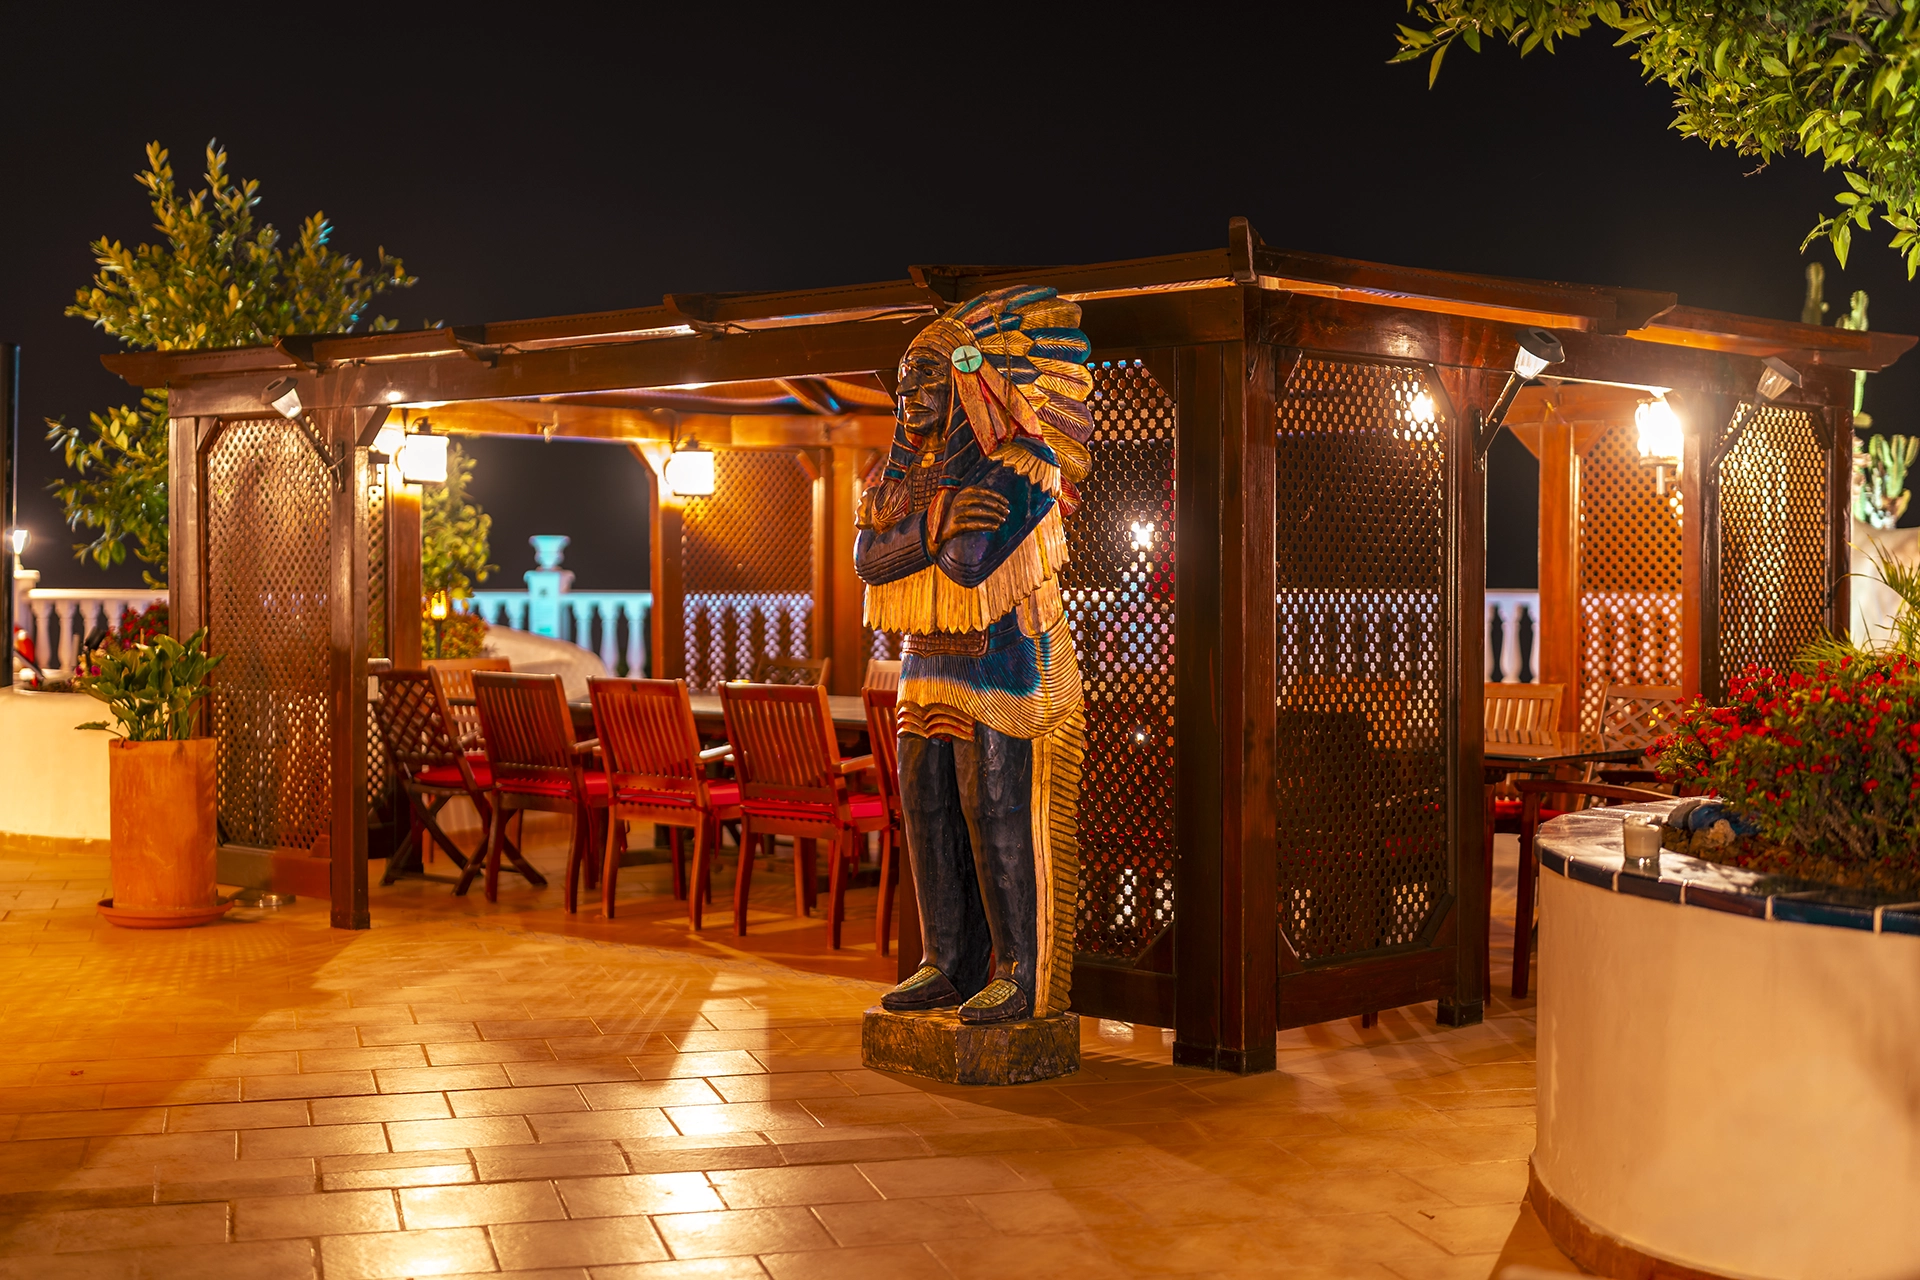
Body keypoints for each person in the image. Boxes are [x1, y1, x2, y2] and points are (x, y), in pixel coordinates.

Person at [854, 286, 1093, 1024]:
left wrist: (923, 532)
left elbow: (969, 560)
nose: (909, 395)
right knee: (926, 809)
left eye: (927, 375)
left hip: (1003, 663)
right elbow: (868, 558)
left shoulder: (1022, 463)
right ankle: (947, 962)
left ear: (971, 378)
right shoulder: (898, 480)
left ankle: (1021, 972)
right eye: (903, 383)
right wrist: (937, 519)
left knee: (994, 807)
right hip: (924, 666)